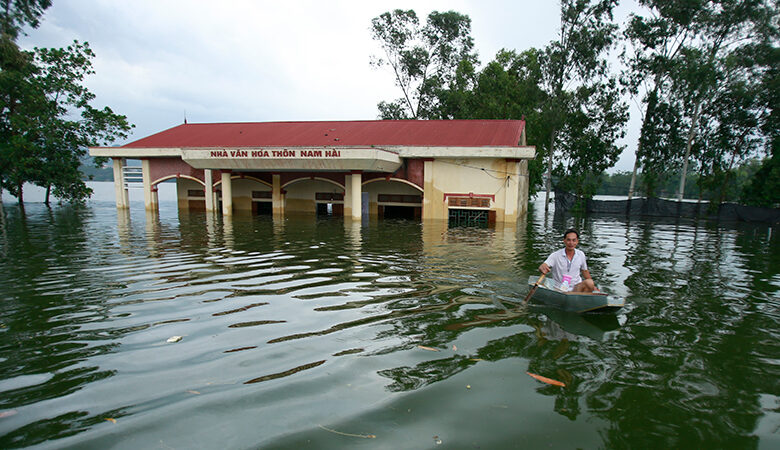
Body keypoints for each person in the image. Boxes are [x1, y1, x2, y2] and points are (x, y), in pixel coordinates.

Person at [538, 228, 597, 293]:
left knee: (590, 283)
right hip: (559, 289)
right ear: (564, 241)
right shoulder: (555, 255)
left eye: (574, 240)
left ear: (577, 241)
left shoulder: (581, 254)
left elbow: (585, 271)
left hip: (576, 289)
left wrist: (593, 287)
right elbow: (544, 265)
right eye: (568, 240)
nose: (571, 243)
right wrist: (542, 267)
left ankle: (579, 299)